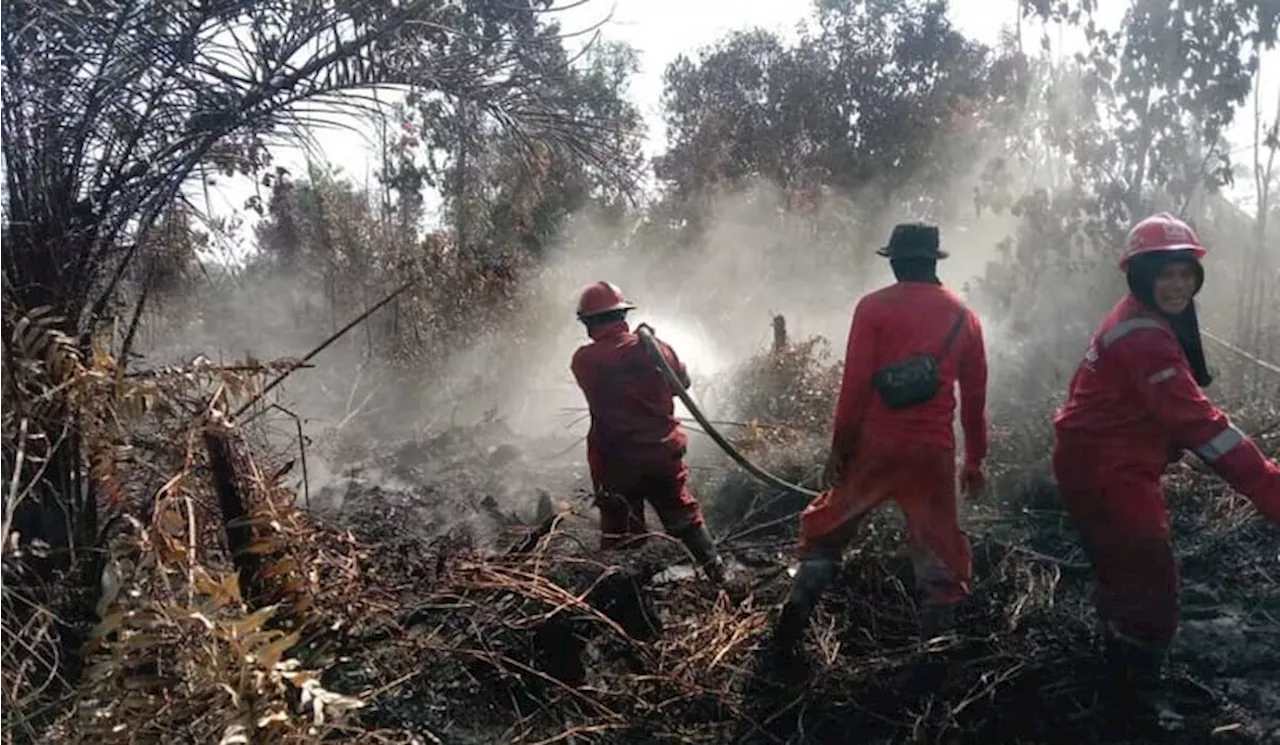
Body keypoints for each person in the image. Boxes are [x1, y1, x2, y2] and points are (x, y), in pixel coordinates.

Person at [1052, 212, 1280, 712]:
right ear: (1142, 275)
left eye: (1185, 274)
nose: (1178, 285)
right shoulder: (1143, 335)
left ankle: (1120, 665)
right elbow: (1203, 428)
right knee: (1151, 579)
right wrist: (1269, 487)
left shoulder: (1138, 316)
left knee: (1122, 571)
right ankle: (1136, 699)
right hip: (1109, 472)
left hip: (1099, 463)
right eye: (1166, 275)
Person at [767, 222, 990, 655]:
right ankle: (934, 658)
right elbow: (975, 400)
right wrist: (975, 461)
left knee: (827, 532)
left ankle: (787, 635)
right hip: (932, 455)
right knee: (939, 553)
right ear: (933, 262)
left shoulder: (873, 309)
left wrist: (840, 449)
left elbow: (855, 388)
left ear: (895, 262)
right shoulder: (965, 317)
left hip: (875, 448)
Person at [570, 280, 727, 584]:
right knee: (683, 513)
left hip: (616, 463)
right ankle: (718, 573)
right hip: (661, 454)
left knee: (622, 533)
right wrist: (652, 344)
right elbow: (683, 382)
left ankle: (632, 596)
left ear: (589, 322)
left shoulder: (584, 360)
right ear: (622, 316)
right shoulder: (654, 350)